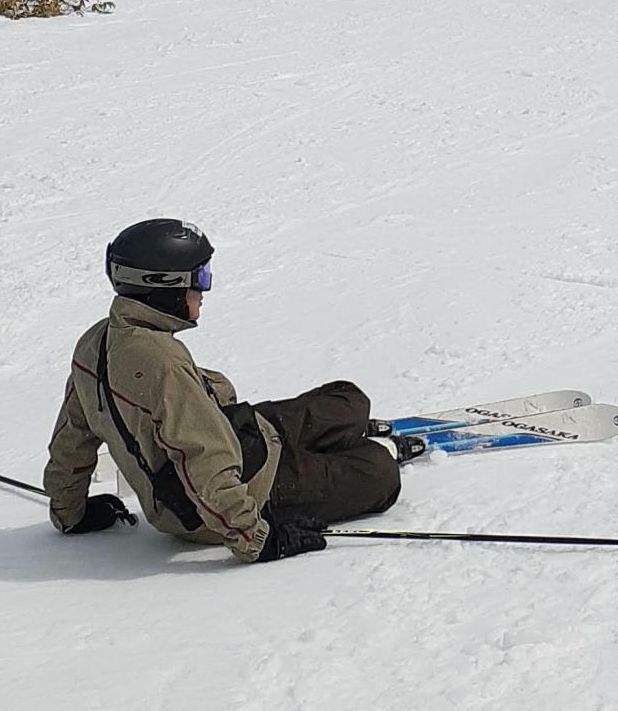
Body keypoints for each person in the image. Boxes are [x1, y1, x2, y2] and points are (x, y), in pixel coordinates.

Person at [43, 218, 419, 563]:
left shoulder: (96, 342)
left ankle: (335, 441)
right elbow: (204, 457)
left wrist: (69, 512)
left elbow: (70, 439)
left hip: (246, 436)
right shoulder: (162, 365)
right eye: (200, 277)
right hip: (228, 498)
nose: (205, 290)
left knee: (348, 399)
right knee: (381, 474)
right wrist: (254, 537)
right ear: (164, 287)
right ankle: (358, 451)